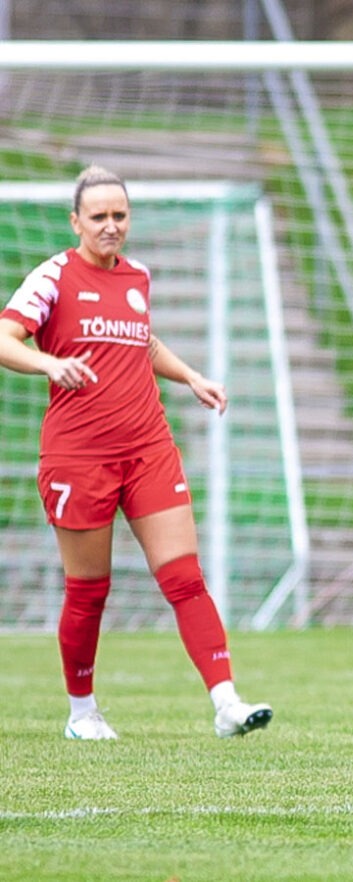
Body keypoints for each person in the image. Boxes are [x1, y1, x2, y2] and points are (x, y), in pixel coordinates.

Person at [0, 165, 274, 740]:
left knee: (185, 577)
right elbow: (5, 337)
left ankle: (226, 703)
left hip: (148, 449)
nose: (110, 225)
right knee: (89, 591)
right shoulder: (53, 276)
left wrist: (191, 376)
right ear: (76, 221)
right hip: (79, 457)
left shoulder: (138, 277)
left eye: (119, 215)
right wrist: (49, 364)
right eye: (98, 216)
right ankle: (82, 713)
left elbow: (141, 341)